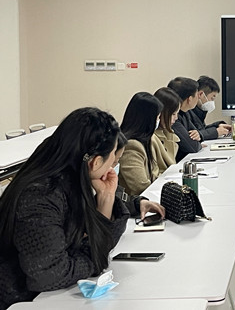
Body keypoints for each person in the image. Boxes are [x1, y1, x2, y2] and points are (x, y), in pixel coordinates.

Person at [0, 108, 128, 309]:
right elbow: (50, 275)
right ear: (95, 163)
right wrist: (94, 257)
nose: (113, 166)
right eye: (113, 158)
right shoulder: (41, 197)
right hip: (21, 300)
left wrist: (106, 199)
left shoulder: (67, 178)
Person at [118, 92, 163, 196]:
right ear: (148, 120)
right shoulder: (131, 145)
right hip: (137, 202)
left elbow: (154, 173)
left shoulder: (145, 140)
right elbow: (140, 186)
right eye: (157, 117)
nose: (158, 121)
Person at [113, 132, 165, 220]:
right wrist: (105, 196)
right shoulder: (132, 145)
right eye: (115, 161)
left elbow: (120, 200)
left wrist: (138, 203)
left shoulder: (105, 181)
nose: (115, 165)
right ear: (96, 162)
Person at [168, 77, 203, 162]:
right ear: (190, 99)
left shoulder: (185, 112)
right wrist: (199, 143)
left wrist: (198, 135)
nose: (199, 98)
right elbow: (193, 146)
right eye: (197, 95)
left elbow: (197, 131)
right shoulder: (173, 119)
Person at [189, 75, 231, 141]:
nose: (212, 102)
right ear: (200, 94)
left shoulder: (199, 112)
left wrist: (218, 125)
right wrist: (216, 132)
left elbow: (202, 130)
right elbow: (195, 135)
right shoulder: (187, 111)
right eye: (212, 98)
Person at [154, 87, 181, 172]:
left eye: (177, 113)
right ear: (161, 113)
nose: (176, 118)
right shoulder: (152, 137)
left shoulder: (168, 133)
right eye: (173, 114)